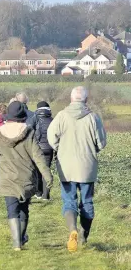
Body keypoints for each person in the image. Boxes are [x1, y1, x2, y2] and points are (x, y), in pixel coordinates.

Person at [0, 101, 53, 251]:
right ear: (22, 117)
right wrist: (47, 176)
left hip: (7, 178)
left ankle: (17, 243)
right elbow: (38, 157)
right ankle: (21, 239)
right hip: (26, 177)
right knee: (24, 209)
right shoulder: (29, 132)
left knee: (12, 209)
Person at [48, 86, 107, 253]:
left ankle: (72, 228)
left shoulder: (61, 116)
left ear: (71, 99)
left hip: (66, 167)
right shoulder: (94, 118)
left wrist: (60, 148)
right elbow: (102, 143)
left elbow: (51, 137)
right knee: (87, 202)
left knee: (69, 201)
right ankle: (83, 235)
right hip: (87, 167)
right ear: (86, 100)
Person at [29, 101, 54, 200]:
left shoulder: (34, 119)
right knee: (46, 170)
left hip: (37, 148)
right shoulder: (53, 120)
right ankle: (46, 196)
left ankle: (38, 193)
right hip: (49, 148)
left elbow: (29, 132)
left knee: (37, 170)